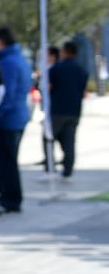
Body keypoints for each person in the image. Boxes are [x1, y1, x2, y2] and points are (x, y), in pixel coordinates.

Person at [0, 26, 31, 212]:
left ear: (1, 41)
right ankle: (10, 197)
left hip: (8, 119)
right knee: (10, 159)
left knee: (6, 161)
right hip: (19, 115)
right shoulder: (20, 59)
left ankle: (10, 199)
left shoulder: (7, 62)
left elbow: (7, 94)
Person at [48, 40, 89, 179]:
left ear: (65, 52)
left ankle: (49, 165)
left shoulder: (56, 68)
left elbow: (48, 86)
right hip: (74, 110)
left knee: (48, 137)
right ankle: (68, 169)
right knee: (70, 140)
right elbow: (83, 90)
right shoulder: (82, 70)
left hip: (58, 110)